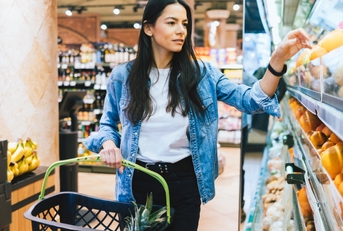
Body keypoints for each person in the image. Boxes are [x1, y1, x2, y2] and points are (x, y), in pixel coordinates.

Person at [83, 0, 311, 230]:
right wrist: (109, 143)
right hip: (138, 182)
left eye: (184, 23)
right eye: (171, 22)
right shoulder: (123, 76)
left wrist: (277, 60)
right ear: (148, 28)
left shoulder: (203, 74)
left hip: (185, 183)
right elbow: (107, 125)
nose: (181, 30)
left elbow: (250, 100)